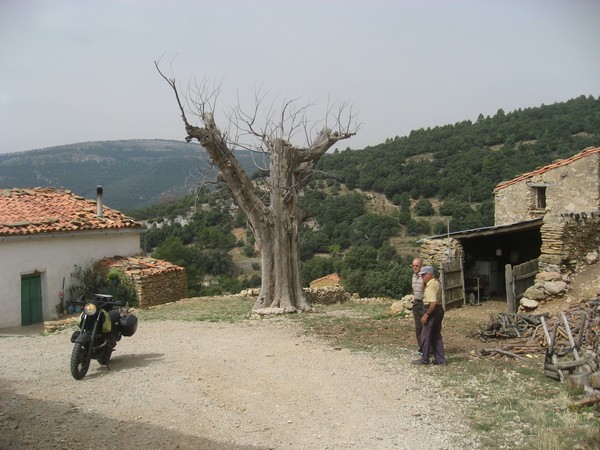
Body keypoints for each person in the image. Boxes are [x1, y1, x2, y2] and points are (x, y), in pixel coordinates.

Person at [412, 266, 446, 365]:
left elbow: (433, 303)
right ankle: (440, 360)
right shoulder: (435, 283)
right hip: (439, 309)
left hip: (432, 309)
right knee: (436, 335)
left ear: (429, 274)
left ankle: (425, 359)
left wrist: (426, 314)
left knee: (425, 335)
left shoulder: (431, 286)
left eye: (423, 275)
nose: (422, 276)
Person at [410, 258, 424, 353]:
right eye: (413, 266)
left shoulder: (424, 277)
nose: (415, 267)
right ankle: (422, 346)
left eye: (417, 266)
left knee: (425, 326)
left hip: (424, 303)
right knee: (418, 327)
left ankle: (429, 348)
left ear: (420, 266)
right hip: (416, 303)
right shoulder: (413, 277)